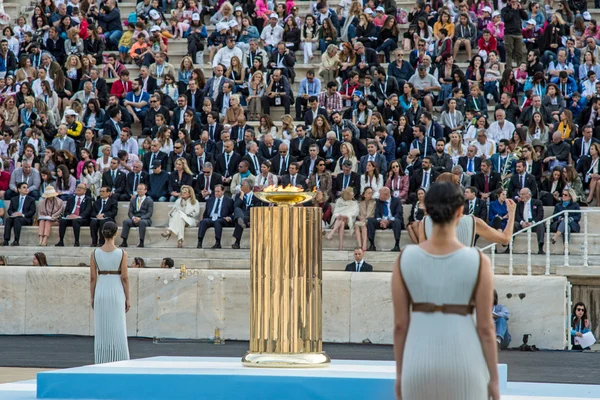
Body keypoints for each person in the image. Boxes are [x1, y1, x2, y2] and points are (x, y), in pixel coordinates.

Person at [392, 181, 500, 400]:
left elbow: (400, 326)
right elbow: (486, 329)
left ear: (427, 209)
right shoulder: (479, 261)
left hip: (418, 362)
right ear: (461, 211)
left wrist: (401, 375)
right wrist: (494, 380)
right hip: (465, 362)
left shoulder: (405, 258)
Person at [89, 220, 130, 364]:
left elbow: (93, 277)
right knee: (118, 325)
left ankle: (102, 358)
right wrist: (128, 298)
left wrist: (93, 296)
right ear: (116, 233)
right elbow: (124, 277)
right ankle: (120, 357)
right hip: (116, 288)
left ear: (102, 233)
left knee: (102, 326)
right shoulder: (122, 253)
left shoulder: (95, 253)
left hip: (101, 288)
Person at [197, 184, 234, 249]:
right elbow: (205, 213)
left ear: (223, 191)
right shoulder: (209, 200)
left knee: (217, 222)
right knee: (204, 221)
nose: (216, 193)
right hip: (211, 218)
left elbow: (232, 213)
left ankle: (218, 242)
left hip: (222, 219)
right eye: (215, 191)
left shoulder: (229, 201)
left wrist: (229, 218)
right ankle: (199, 242)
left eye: (218, 191)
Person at [367, 187, 403, 252]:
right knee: (370, 220)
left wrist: (388, 221)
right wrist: (380, 220)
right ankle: (372, 245)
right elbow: (377, 213)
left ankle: (397, 245)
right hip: (381, 222)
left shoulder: (396, 200)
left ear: (386, 195)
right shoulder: (378, 201)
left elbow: (399, 213)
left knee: (397, 221)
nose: (378, 196)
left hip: (392, 221)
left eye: (380, 194)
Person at [232, 179, 264, 249]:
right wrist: (241, 197)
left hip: (251, 215)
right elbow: (235, 206)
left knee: (239, 219)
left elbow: (257, 209)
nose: (240, 187)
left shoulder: (256, 196)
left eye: (242, 185)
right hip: (242, 215)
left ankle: (237, 242)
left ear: (247, 187)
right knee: (238, 211)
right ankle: (241, 220)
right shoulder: (238, 195)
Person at [120, 183, 154, 248]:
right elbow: (130, 212)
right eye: (138, 189)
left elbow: (149, 213)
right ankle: (124, 241)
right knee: (126, 222)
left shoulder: (149, 201)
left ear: (145, 191)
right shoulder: (133, 200)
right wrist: (133, 218)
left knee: (141, 222)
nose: (139, 190)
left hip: (145, 219)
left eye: (141, 189)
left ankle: (141, 242)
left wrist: (140, 218)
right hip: (134, 218)